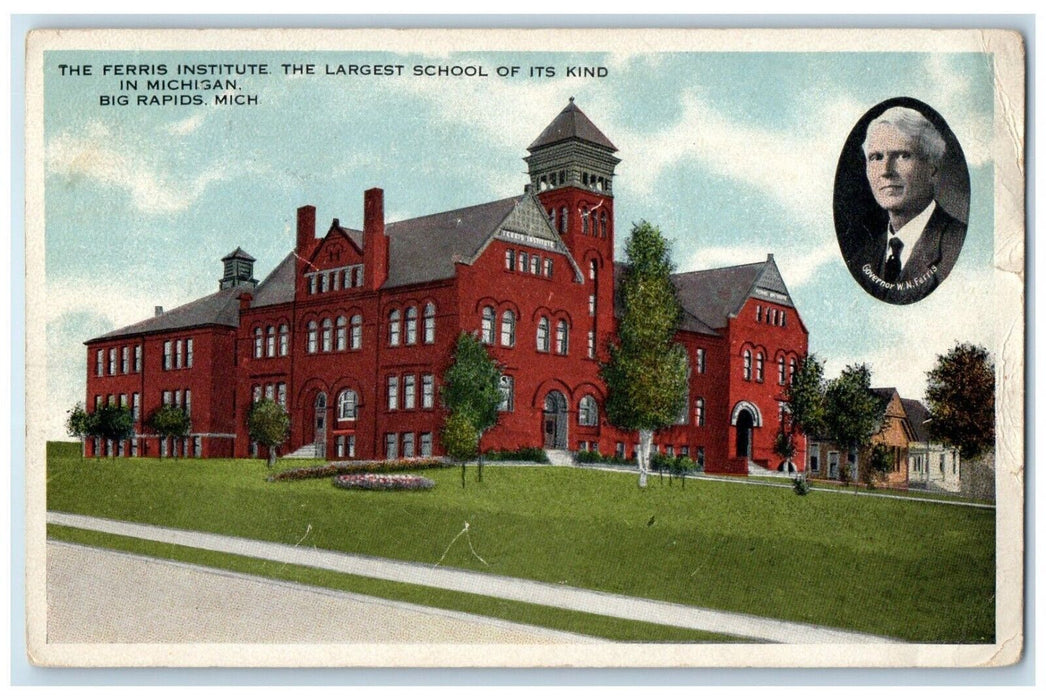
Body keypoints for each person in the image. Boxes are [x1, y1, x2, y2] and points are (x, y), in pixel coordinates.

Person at [845, 106, 966, 304]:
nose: (886, 171)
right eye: (876, 157)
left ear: (932, 168)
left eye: (902, 155)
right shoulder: (862, 258)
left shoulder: (957, 246)